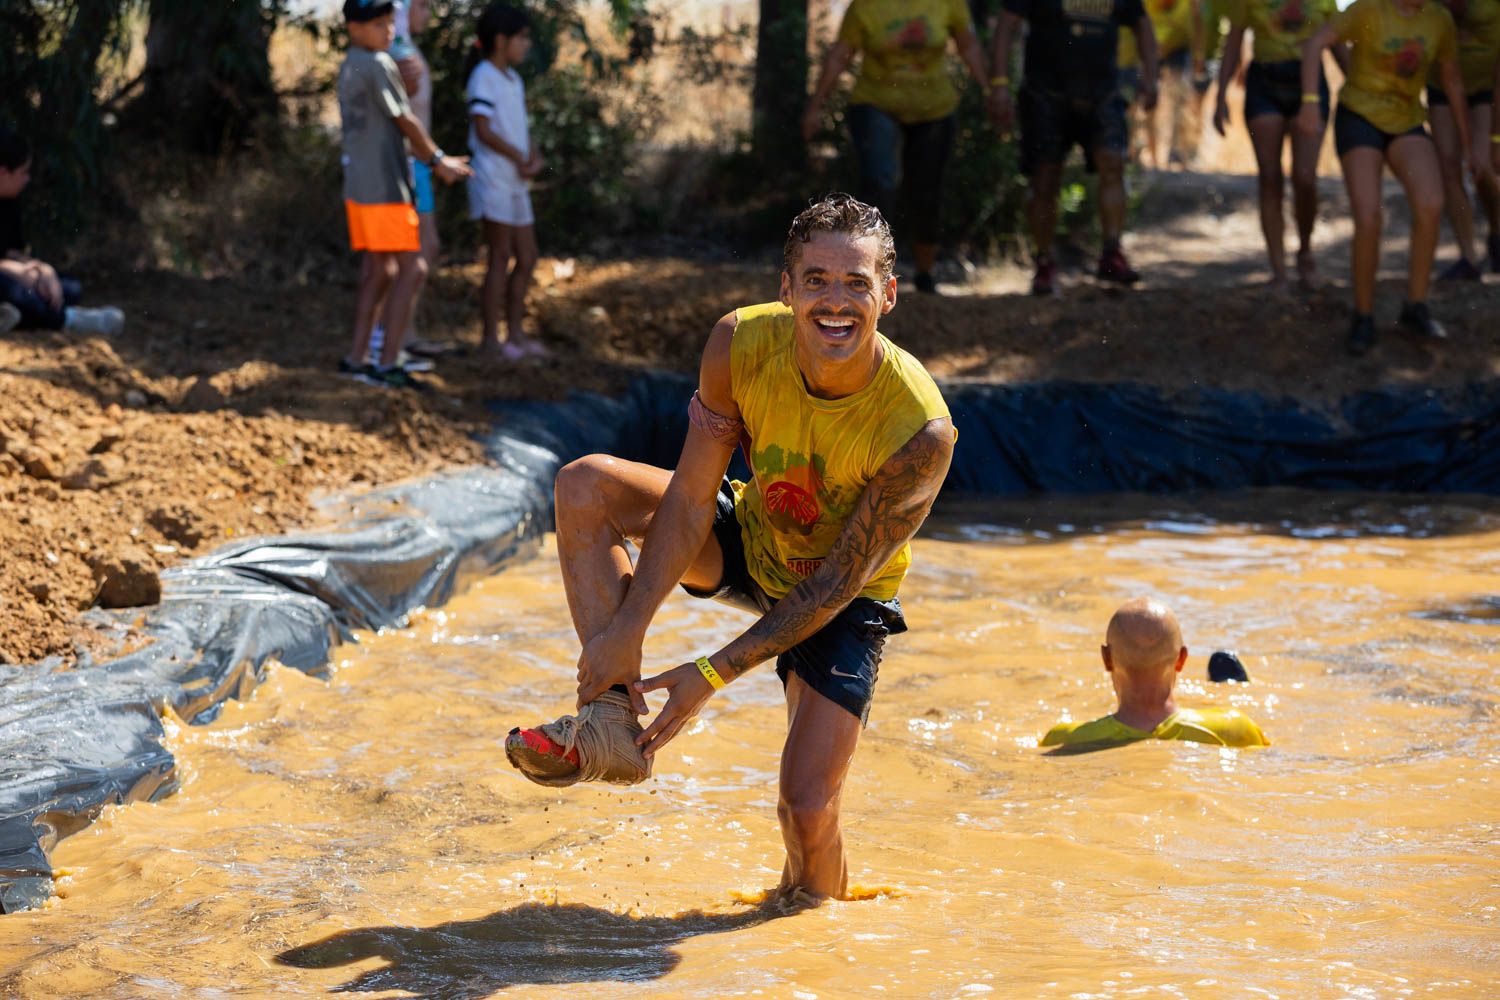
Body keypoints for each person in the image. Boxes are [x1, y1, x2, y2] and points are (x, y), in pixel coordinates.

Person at [504, 194, 956, 903]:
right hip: (753, 537)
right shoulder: (739, 343)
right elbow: (688, 498)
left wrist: (709, 676)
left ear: (888, 295)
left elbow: (836, 586)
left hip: (843, 596)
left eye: (856, 283)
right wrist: (628, 631)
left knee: (805, 811)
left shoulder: (920, 428)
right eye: (817, 281)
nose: (834, 303)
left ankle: (820, 944)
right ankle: (611, 722)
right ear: (787, 288)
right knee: (586, 484)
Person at [1300, 0, 1465, 356]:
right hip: (1359, 116)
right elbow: (1315, 43)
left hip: (1405, 121)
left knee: (1431, 202)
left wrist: (1469, 143)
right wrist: (1310, 101)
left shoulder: (1439, 21)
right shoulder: (1368, 10)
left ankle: (1415, 306)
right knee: (1369, 216)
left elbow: (1450, 79)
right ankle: (1363, 315)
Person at [801, 0, 990, 294]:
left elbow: (969, 46)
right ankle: (868, 272)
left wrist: (991, 89)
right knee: (879, 182)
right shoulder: (864, 7)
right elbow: (840, 55)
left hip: (934, 109)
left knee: (926, 190)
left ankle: (925, 274)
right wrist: (816, 106)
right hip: (875, 104)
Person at [337, 0, 469, 389]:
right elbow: (405, 119)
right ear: (354, 28)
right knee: (413, 268)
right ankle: (388, 362)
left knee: (380, 270)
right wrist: (439, 160)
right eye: (378, 25)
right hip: (385, 186)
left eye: (389, 24)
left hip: (360, 186)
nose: (388, 32)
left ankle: (357, 358)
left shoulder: (352, 62)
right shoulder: (377, 64)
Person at [989, 0, 1161, 294]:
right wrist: (1000, 83)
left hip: (1102, 91)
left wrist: (1151, 77)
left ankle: (1112, 253)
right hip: (1045, 92)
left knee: (1113, 163)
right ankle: (1043, 262)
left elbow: (1143, 25)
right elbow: (1006, 24)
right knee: (1044, 177)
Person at [1213, 0, 1343, 290]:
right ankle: (1278, 269)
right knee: (1270, 178)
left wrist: (1362, 90)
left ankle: (1306, 251)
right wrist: (1220, 95)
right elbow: (1233, 42)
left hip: (1309, 86)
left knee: (1305, 177)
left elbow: (1338, 44)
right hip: (1265, 84)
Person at [1041, 598, 1271, 750]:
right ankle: (1232, 687)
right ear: (1181, 659)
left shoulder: (1064, 740)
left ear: (1106, 659)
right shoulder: (1236, 727)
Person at [466, 3, 547, 359]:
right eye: (522, 37)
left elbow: (521, 128)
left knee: (527, 256)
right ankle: (490, 340)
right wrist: (518, 158)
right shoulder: (483, 76)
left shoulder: (513, 79)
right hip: (493, 178)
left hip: (516, 180)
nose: (526, 44)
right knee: (500, 256)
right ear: (501, 40)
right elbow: (483, 131)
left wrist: (533, 155)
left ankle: (515, 334)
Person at [0, 125, 124, 336]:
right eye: (23, 172)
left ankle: (15, 315)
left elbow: (9, 250)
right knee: (18, 293)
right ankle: (72, 319)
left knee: (68, 289)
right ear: (3, 172)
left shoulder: (9, 201)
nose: (27, 179)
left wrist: (41, 270)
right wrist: (14, 271)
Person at [1428, 0, 1500, 280]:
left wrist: (1496, 138)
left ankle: (1496, 232)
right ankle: (1468, 256)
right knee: (1448, 167)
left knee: (1483, 166)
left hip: (1485, 90)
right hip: (1441, 87)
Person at [1123, 0, 1207, 169]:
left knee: (1176, 99)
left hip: (1175, 49)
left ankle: (1172, 152)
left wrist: (1199, 54)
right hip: (1150, 47)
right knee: (1146, 102)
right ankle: (1144, 153)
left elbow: (1197, 19)